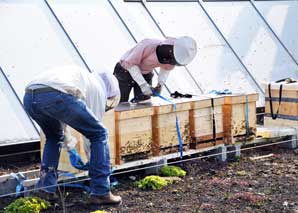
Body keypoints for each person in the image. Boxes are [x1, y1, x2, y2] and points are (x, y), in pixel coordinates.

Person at [23, 65, 122, 205]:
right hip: (54, 95)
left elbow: (60, 117)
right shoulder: (98, 87)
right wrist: (92, 162)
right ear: (109, 90)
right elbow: (93, 135)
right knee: (100, 133)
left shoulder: (79, 77)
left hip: (30, 97)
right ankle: (101, 192)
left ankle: (45, 189)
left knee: (53, 137)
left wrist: (70, 148)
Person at [113, 36, 197, 103]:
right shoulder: (148, 44)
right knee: (121, 103)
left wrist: (160, 84)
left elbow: (166, 68)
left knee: (144, 103)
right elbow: (130, 64)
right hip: (125, 71)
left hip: (146, 73)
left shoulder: (173, 56)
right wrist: (143, 84)